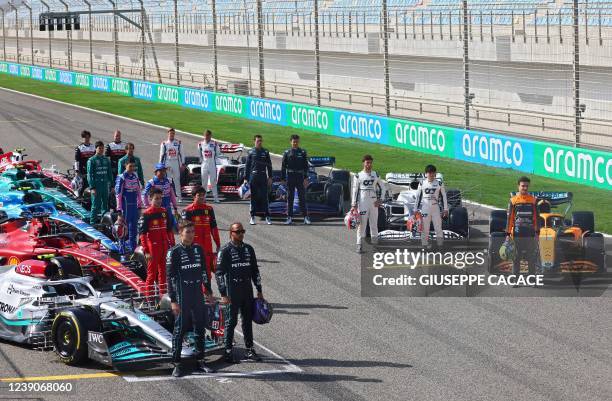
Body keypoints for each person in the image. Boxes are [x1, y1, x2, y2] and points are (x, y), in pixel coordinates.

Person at [166, 221, 216, 377]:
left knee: (200, 327)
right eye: (188, 231)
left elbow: (203, 272)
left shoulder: (198, 249)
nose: (191, 234)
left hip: (197, 294)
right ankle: (177, 363)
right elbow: (170, 278)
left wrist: (208, 290)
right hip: (182, 294)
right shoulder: (173, 252)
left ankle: (201, 360)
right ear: (180, 233)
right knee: (179, 329)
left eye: (193, 231)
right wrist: (173, 300)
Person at [216, 222, 263, 363]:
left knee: (247, 320)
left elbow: (255, 271)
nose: (241, 234)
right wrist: (223, 294)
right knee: (231, 321)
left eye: (243, 231)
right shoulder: (225, 251)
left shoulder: (249, 249)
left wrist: (259, 290)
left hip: (247, 290)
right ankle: (228, 351)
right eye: (238, 231)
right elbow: (219, 274)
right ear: (231, 233)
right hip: (232, 290)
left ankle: (249, 350)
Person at [138, 188, 173, 297]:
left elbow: (169, 231)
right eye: (156, 199)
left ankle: (163, 296)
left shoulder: (164, 212)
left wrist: (171, 245)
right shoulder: (146, 214)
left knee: (164, 273)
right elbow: (142, 235)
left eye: (160, 198)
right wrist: (146, 251)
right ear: (150, 199)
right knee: (152, 274)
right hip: (153, 248)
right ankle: (150, 298)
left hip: (164, 247)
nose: (159, 201)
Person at [181, 187, 221, 281]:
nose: (202, 198)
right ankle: (197, 293)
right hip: (193, 245)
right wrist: (185, 246)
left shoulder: (209, 209)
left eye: (203, 195)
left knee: (207, 270)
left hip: (207, 245)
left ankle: (207, 292)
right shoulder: (187, 210)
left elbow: (214, 228)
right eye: (199, 195)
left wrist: (218, 244)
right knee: (194, 270)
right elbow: (183, 231)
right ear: (193, 197)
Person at [506, 176, 538, 280]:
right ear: (518, 186)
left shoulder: (533, 201)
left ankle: (532, 280)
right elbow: (510, 218)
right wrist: (507, 234)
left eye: (527, 186)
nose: (525, 188)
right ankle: (515, 279)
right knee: (516, 258)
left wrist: (537, 233)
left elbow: (536, 219)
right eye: (523, 186)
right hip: (517, 234)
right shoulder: (513, 200)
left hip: (530, 235)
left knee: (531, 258)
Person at [351, 154, 384, 253]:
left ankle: (375, 246)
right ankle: (359, 244)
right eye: (367, 163)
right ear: (363, 163)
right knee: (362, 225)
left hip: (374, 203)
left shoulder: (376, 174)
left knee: (374, 225)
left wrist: (380, 199)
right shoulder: (358, 176)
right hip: (363, 203)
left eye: (370, 163)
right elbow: (354, 191)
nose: (369, 165)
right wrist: (353, 204)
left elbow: (383, 187)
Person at [415, 164, 448, 249]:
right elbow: (418, 197)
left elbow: (444, 196)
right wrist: (415, 209)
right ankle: (424, 246)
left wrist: (445, 209)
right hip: (425, 208)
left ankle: (440, 246)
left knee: (438, 228)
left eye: (433, 173)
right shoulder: (422, 183)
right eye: (429, 173)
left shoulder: (439, 183)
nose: (431, 175)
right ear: (426, 174)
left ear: (435, 174)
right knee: (425, 229)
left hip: (435, 208)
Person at [281, 134, 310, 225]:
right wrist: (283, 178)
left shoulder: (302, 152)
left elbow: (306, 166)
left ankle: (305, 217)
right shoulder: (287, 152)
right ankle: (289, 217)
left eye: (297, 142)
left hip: (300, 177)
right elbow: (283, 166)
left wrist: (305, 178)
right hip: (290, 176)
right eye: (294, 142)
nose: (295, 143)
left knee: (302, 197)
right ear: (291, 142)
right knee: (290, 197)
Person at [244, 135, 272, 225]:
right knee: (254, 197)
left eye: (260, 141)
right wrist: (245, 178)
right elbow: (247, 166)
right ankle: (252, 217)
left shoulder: (266, 152)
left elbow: (269, 165)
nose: (259, 142)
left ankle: (268, 216)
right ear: (254, 141)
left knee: (265, 197)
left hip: (263, 176)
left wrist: (270, 177)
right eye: (257, 141)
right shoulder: (251, 152)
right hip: (253, 176)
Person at [115, 160, 143, 251]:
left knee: (134, 230)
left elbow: (139, 191)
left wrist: (139, 205)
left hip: (134, 207)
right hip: (125, 207)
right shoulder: (121, 177)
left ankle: (133, 249)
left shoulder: (135, 176)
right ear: (125, 166)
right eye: (130, 166)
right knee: (122, 229)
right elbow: (118, 194)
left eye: (133, 166)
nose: (132, 168)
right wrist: (119, 209)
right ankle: (121, 249)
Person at [143, 164, 179, 230]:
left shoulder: (169, 181)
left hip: (167, 208)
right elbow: (144, 195)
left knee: (169, 226)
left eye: (164, 171)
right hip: (156, 208)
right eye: (161, 171)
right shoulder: (151, 182)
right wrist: (147, 206)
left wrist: (175, 208)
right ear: (156, 172)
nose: (163, 173)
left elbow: (172, 195)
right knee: (157, 226)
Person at [87, 141, 113, 224]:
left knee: (105, 205)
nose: (101, 150)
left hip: (105, 186)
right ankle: (92, 223)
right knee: (95, 206)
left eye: (102, 148)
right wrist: (92, 188)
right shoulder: (91, 160)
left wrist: (112, 186)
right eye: (99, 148)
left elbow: (110, 173)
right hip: (96, 186)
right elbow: (90, 175)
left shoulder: (106, 159)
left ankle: (104, 223)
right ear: (96, 149)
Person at [159, 128, 184, 203]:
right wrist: (160, 166)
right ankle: (168, 196)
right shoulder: (164, 143)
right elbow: (161, 155)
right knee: (168, 180)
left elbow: (182, 154)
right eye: (170, 133)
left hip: (175, 162)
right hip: (167, 163)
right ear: (168, 134)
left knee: (177, 180)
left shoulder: (178, 143)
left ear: (174, 134)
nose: (171, 135)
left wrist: (183, 164)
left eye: (173, 133)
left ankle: (179, 197)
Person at [198, 129, 221, 204]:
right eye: (206, 135)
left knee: (213, 181)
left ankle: (216, 198)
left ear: (210, 136)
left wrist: (213, 161)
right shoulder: (200, 144)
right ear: (204, 135)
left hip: (212, 164)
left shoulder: (214, 144)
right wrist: (203, 161)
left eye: (208, 135)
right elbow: (200, 155)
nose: (207, 137)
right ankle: (203, 198)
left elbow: (218, 154)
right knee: (204, 182)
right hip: (204, 164)